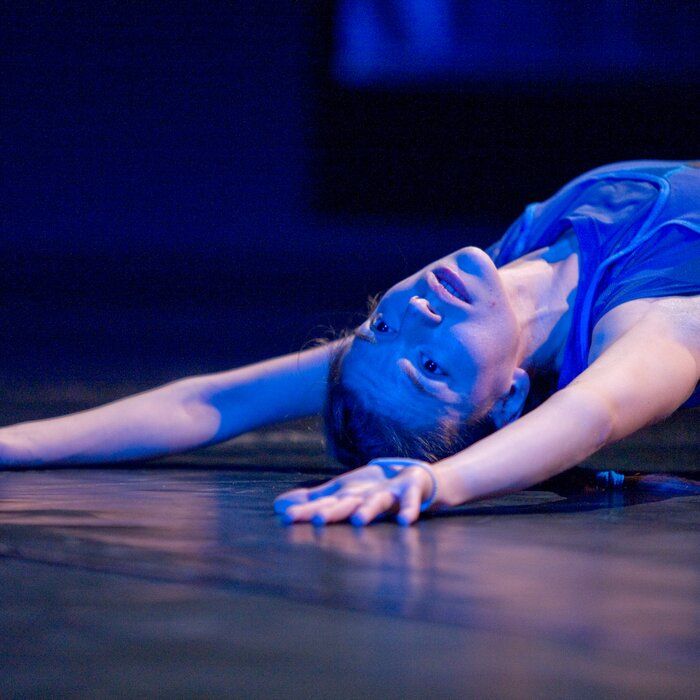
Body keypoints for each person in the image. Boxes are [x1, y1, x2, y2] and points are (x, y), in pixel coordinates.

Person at [1, 160, 698, 526]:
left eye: (381, 327)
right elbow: (594, 414)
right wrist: (438, 484)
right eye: (431, 366)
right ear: (510, 397)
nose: (419, 315)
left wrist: (15, 443)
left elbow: (212, 401)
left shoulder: (506, 268)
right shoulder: (652, 322)